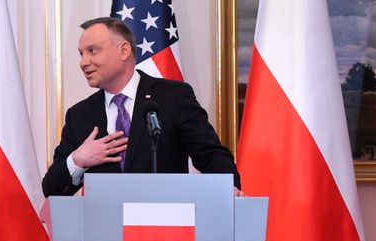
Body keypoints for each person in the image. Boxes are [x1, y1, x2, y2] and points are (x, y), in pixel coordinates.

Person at [42, 17, 239, 197]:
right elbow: (51, 189)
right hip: (105, 224)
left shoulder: (173, 97)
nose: (83, 62)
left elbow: (210, 154)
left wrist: (228, 188)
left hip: (164, 221)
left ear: (124, 50)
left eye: (92, 51)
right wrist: (78, 160)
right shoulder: (79, 115)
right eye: (81, 54)